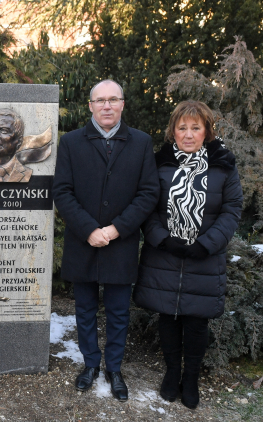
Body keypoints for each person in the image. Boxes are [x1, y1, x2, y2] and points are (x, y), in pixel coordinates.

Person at [53, 79, 160, 401]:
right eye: (100, 100)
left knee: (117, 311)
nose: (107, 106)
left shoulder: (141, 143)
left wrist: (116, 229)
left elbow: (148, 193)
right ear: (90, 106)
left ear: (123, 104)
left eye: (113, 100)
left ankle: (114, 367)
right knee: (84, 310)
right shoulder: (71, 142)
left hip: (121, 243)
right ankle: (90, 364)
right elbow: (62, 191)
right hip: (82, 242)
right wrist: (89, 229)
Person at [133, 100, 243, 409]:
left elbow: (232, 210)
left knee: (196, 321)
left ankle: (191, 378)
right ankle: (171, 374)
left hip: (205, 256)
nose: (189, 134)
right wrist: (162, 239)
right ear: (173, 131)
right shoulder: (159, 164)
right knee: (168, 315)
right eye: (182, 128)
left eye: (196, 127)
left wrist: (206, 244)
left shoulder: (224, 166)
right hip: (164, 255)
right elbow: (147, 206)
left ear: (207, 131)